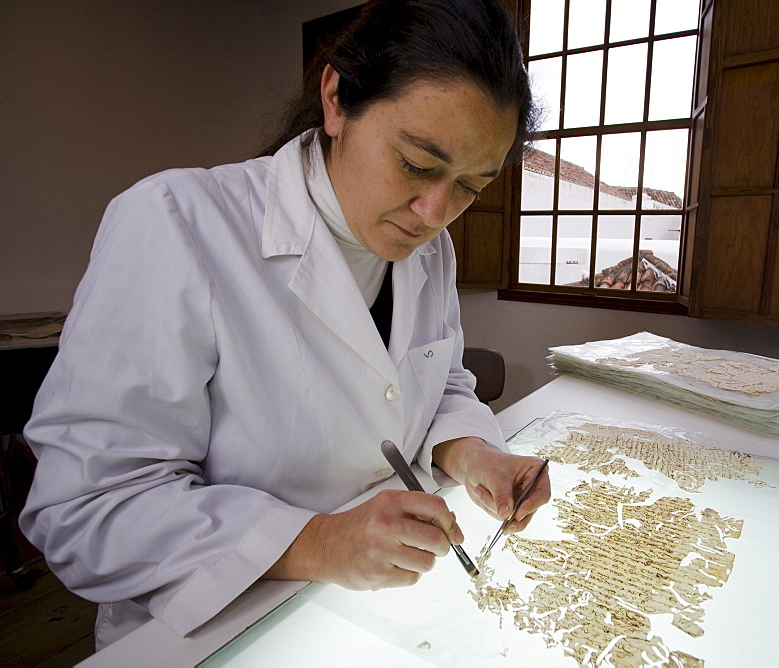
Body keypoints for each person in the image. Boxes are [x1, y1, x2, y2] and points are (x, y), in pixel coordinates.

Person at [19, 0, 549, 650]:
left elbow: (438, 384)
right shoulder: (178, 224)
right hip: (224, 630)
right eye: (416, 164)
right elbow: (84, 509)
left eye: (471, 185)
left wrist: (477, 455)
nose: (435, 210)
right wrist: (318, 541)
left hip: (375, 611)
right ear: (336, 99)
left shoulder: (429, 248)